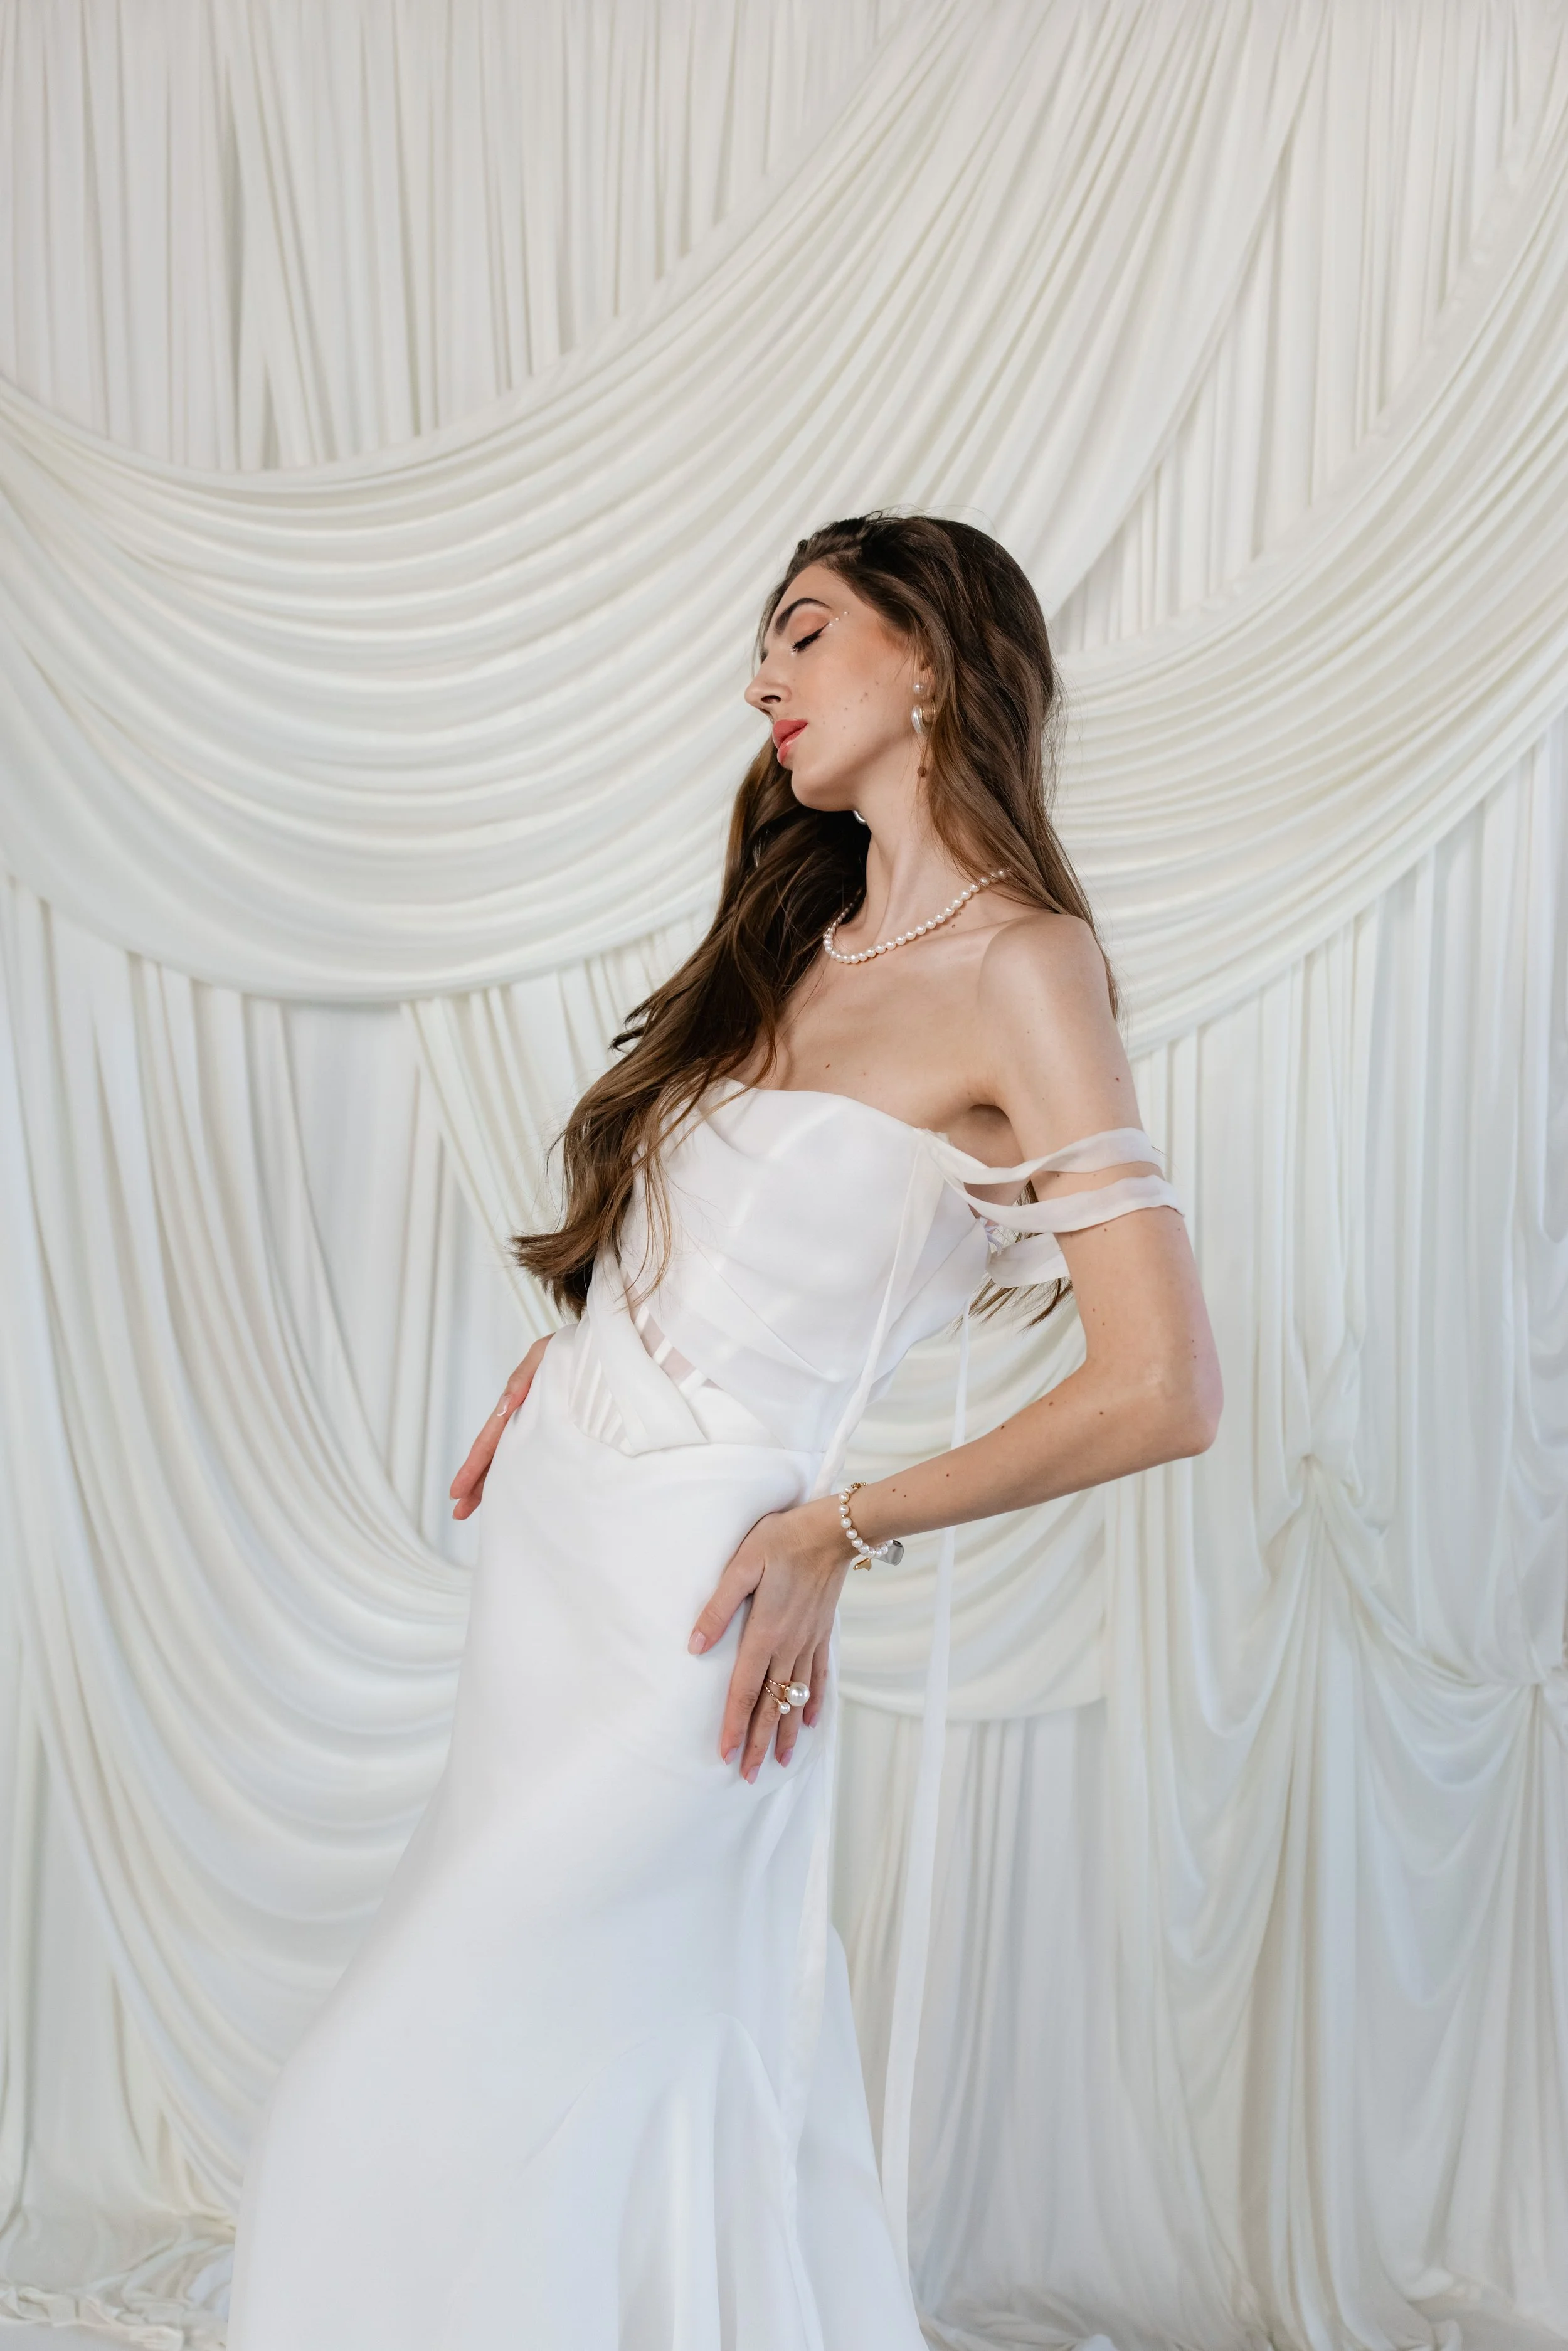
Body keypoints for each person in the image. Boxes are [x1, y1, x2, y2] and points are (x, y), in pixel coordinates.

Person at [226, 512, 1222, 2350]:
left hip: (702, 1600)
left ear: (924, 657)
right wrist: (581, 1352)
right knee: (587, 2045)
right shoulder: (791, 943)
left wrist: (840, 1526)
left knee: (418, 2056)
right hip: (561, 1555)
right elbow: (716, 1247)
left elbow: (1163, 1383)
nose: (760, 676)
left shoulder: (1026, 966)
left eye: (803, 631)